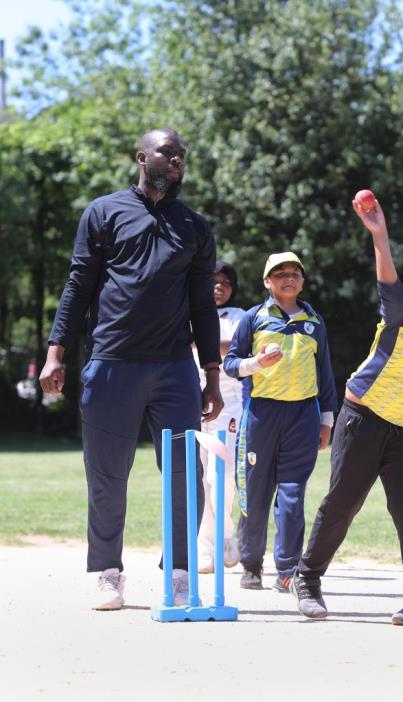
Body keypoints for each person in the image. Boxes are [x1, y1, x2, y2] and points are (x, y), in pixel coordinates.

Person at [38, 127, 223, 611]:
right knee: (106, 474)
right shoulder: (103, 212)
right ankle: (108, 572)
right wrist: (57, 352)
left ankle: (181, 574)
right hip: (111, 363)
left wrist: (213, 374)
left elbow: (204, 307)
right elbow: (79, 285)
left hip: (174, 369)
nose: (178, 160)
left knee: (184, 471)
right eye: (168, 152)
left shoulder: (196, 227)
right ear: (143, 158)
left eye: (182, 154)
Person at [290, 195, 403, 625]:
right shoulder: (400, 313)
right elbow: (385, 275)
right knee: (343, 503)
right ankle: (307, 578)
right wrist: (379, 234)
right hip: (362, 420)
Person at [223, 252, 337, 593]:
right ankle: (251, 564)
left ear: (302, 280)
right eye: (279, 273)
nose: (288, 278)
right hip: (261, 414)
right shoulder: (254, 318)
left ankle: (287, 569)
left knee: (292, 494)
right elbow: (230, 364)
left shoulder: (314, 319)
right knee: (255, 493)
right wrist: (256, 363)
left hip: (303, 415)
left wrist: (326, 420)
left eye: (294, 273)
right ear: (266, 282)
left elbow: (325, 374)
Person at [193, 260, 245, 574]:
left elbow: (234, 348)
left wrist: (201, 343)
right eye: (213, 281)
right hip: (192, 402)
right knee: (199, 479)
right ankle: (204, 546)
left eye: (225, 282)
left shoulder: (239, 317)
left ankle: (226, 537)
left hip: (230, 405)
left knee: (221, 477)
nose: (219, 286)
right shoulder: (189, 312)